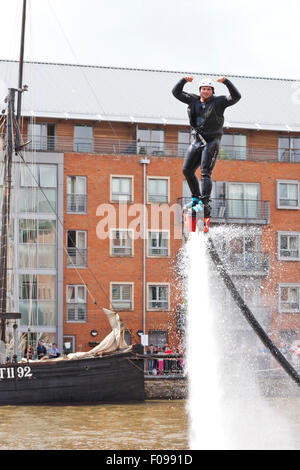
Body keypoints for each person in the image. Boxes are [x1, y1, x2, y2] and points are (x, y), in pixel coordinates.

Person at [172, 75, 241, 232]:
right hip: (197, 141)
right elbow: (176, 93)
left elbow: (236, 97)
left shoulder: (219, 102)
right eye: (204, 89)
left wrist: (226, 82)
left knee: (205, 172)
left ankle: (205, 201)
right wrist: (183, 80)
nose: (206, 91)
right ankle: (196, 198)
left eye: (209, 89)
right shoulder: (193, 100)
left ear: (212, 91)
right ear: (200, 90)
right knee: (187, 170)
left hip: (211, 142)